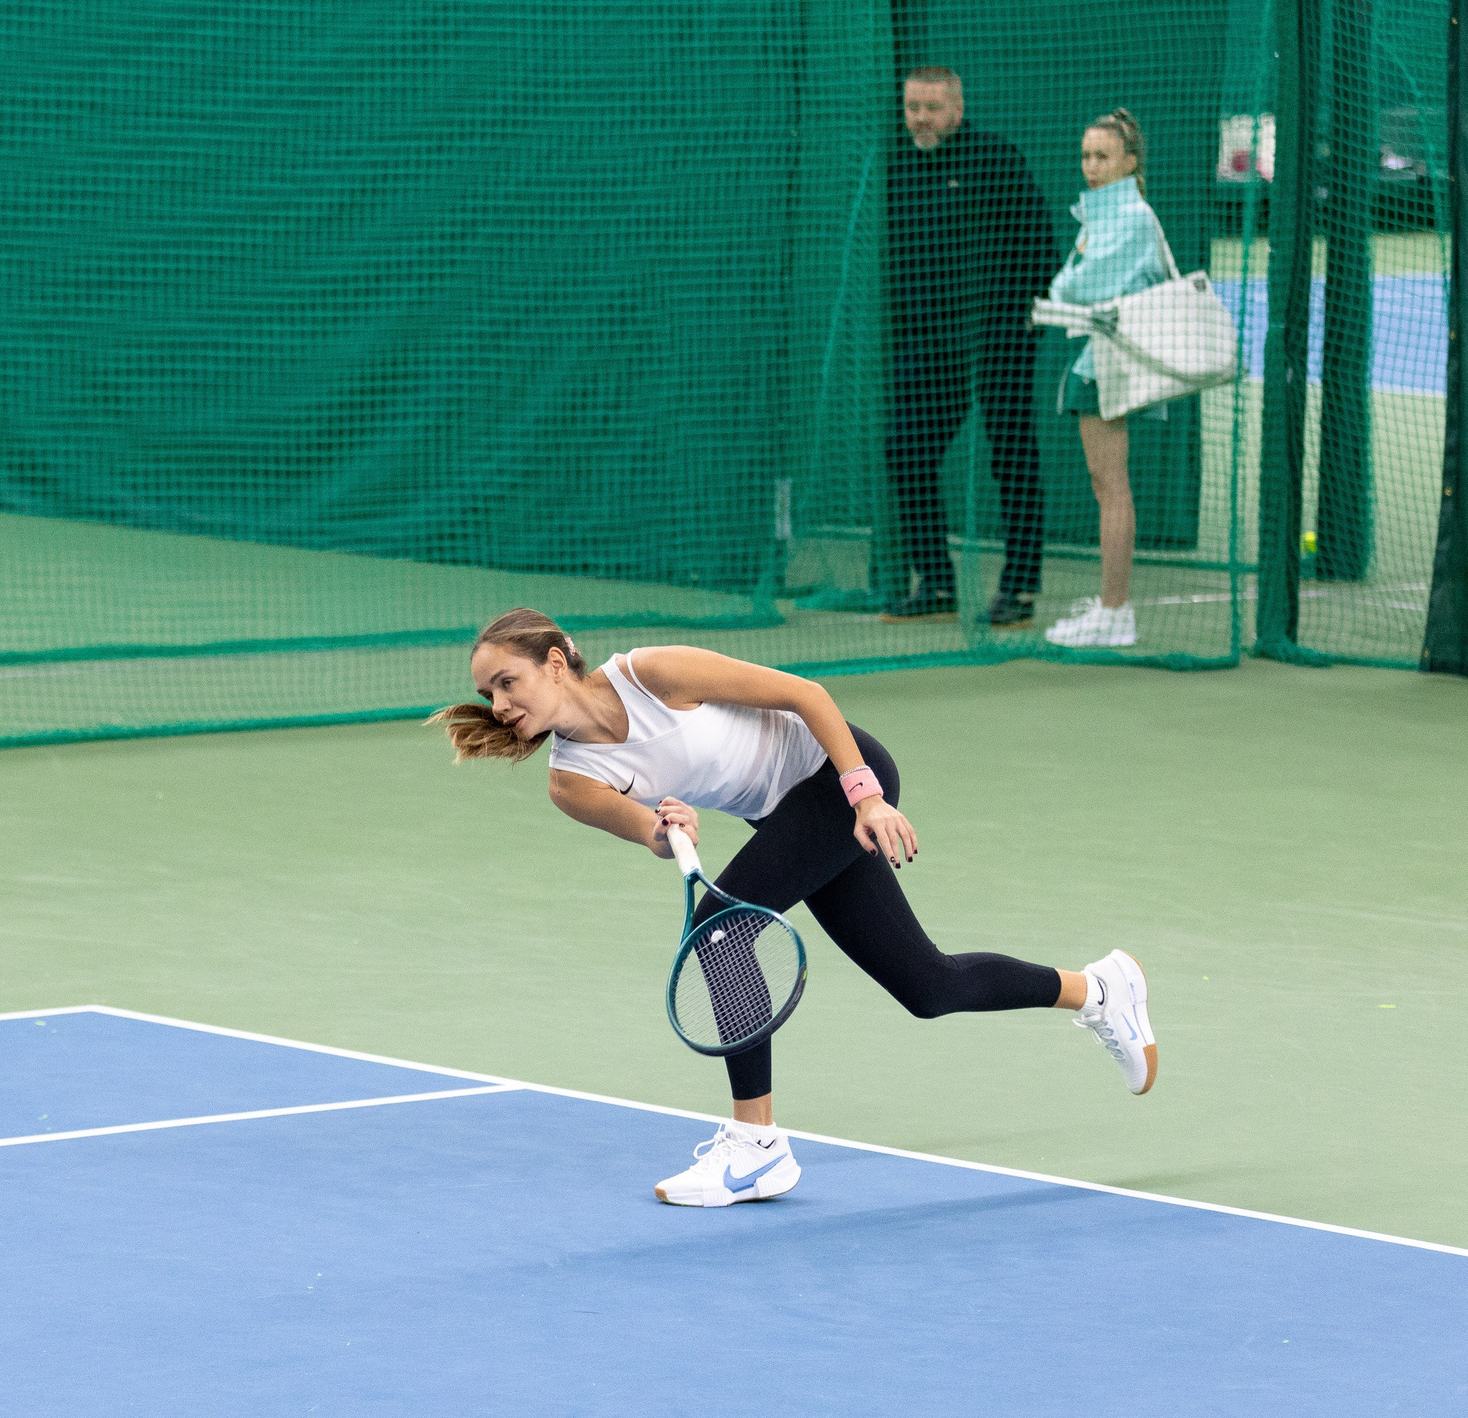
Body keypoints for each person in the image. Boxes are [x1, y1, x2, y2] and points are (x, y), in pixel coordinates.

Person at [429, 608, 1158, 1208]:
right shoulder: (570, 780)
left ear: (556, 662)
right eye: (490, 693)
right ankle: (1099, 989)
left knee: (718, 932)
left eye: (507, 681)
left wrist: (865, 794)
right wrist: (667, 827)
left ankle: (756, 1147)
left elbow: (806, 695)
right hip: (785, 821)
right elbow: (650, 834)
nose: (499, 705)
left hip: (835, 777)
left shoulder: (652, 672)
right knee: (929, 987)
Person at [882, 67, 1056, 630]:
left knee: (1011, 453)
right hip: (929, 342)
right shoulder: (897, 165)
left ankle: (1020, 588)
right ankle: (934, 582)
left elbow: (1039, 240)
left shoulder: (995, 158)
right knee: (906, 447)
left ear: (957, 107)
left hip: (999, 336)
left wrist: (1027, 316)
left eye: (931, 107)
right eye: (912, 107)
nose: (921, 118)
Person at [1043, 109, 1173, 649]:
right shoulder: (1100, 217)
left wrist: (1072, 281)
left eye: (1102, 156)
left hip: (1112, 367)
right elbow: (1065, 286)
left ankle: (1117, 614)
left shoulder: (1133, 220)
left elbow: (1074, 289)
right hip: (1095, 361)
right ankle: (1111, 605)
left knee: (1112, 488)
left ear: (1130, 162)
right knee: (1105, 487)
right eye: (1085, 156)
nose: (1090, 167)